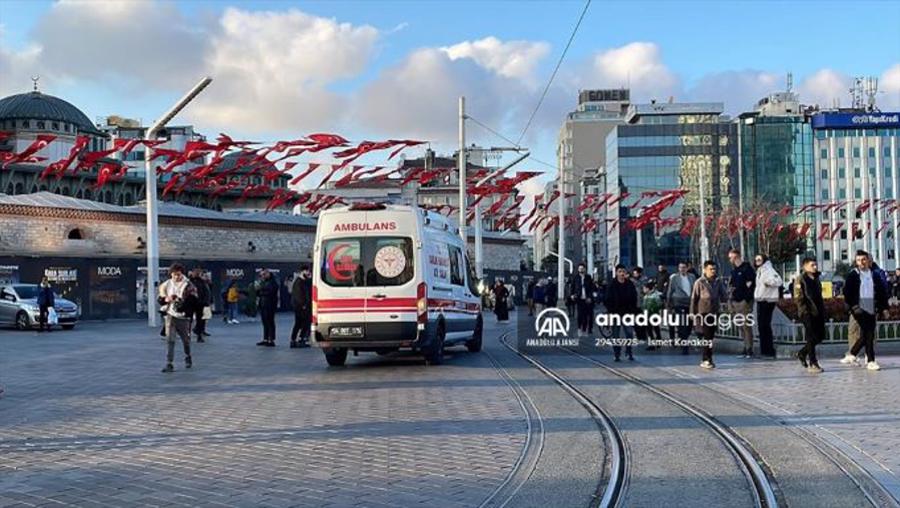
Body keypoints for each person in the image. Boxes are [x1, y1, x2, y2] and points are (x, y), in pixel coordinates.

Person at [841, 250, 889, 370]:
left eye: (863, 260)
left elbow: (882, 293)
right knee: (868, 333)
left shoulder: (875, 275)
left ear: (869, 261)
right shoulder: (853, 275)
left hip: (872, 306)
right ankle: (871, 360)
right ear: (855, 262)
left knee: (867, 334)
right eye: (858, 260)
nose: (861, 262)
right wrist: (853, 307)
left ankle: (852, 354)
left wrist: (884, 308)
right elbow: (847, 292)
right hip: (858, 308)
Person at [158, 263, 199, 373]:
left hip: (184, 317)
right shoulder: (166, 285)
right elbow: (160, 299)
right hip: (171, 315)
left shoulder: (188, 285)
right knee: (170, 340)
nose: (177, 277)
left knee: (185, 340)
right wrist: (166, 299)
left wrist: (184, 306)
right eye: (174, 274)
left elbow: (195, 301)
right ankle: (169, 363)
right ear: (171, 274)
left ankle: (188, 356)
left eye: (179, 274)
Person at [690, 260, 728, 369]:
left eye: (714, 269)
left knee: (710, 337)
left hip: (714, 312)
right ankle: (707, 358)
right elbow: (694, 298)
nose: (713, 271)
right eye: (711, 269)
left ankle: (706, 357)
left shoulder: (718, 281)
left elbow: (723, 295)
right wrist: (692, 313)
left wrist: (728, 297)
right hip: (703, 312)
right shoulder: (699, 282)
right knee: (707, 336)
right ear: (705, 270)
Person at [794, 257, 825, 373]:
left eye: (816, 265)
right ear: (805, 266)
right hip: (807, 312)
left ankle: (802, 353)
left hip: (818, 311)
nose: (815, 267)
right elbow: (798, 298)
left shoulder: (816, 279)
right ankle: (813, 362)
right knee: (811, 337)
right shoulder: (801, 279)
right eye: (812, 265)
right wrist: (804, 311)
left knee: (820, 337)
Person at [606, 264, 638, 361]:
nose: (622, 273)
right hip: (615, 313)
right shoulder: (612, 285)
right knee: (615, 335)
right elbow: (607, 299)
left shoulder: (630, 284)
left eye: (623, 271)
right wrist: (610, 311)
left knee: (629, 333)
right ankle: (617, 353)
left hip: (627, 313)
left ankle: (628, 350)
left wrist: (633, 309)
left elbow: (634, 297)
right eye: (620, 271)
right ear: (616, 273)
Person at [727, 249, 756, 358]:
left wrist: (746, 300)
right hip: (735, 301)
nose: (730, 260)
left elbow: (751, 286)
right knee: (740, 326)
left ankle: (749, 349)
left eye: (731, 257)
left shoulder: (747, 269)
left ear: (736, 257)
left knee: (746, 326)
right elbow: (731, 287)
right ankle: (745, 347)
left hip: (744, 302)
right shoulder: (734, 271)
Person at [753, 254, 783, 359]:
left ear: (764, 260)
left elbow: (779, 281)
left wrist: (769, 282)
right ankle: (764, 350)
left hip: (768, 300)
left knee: (765, 325)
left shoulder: (769, 269)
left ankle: (769, 351)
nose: (757, 261)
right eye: (756, 259)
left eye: (759, 259)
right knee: (762, 326)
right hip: (761, 299)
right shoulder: (760, 270)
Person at [667, 261, 696, 354]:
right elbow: (670, 290)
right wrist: (669, 304)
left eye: (684, 267)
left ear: (687, 268)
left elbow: (695, 289)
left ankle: (683, 337)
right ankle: (684, 346)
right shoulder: (674, 278)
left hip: (690, 303)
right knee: (682, 324)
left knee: (689, 325)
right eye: (680, 267)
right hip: (679, 303)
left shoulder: (692, 277)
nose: (682, 269)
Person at [569, 263, 596, 336]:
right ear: (578, 269)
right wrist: (572, 295)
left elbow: (591, 288)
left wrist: (590, 297)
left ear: (585, 269)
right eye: (580, 268)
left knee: (586, 315)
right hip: (579, 298)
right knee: (580, 315)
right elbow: (572, 287)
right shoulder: (576, 277)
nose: (581, 270)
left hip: (587, 299)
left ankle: (584, 329)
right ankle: (579, 328)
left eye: (582, 268)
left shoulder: (588, 277)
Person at [290, 266, 313, 348]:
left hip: (303, 306)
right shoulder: (298, 282)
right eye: (307, 271)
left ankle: (299, 339)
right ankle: (296, 339)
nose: (308, 273)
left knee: (303, 323)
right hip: (300, 307)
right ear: (302, 271)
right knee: (301, 323)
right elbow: (298, 295)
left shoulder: (303, 281)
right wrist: (303, 304)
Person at [256, 270, 280, 347]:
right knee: (265, 322)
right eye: (261, 275)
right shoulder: (265, 282)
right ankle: (265, 339)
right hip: (264, 305)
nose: (262, 276)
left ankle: (271, 339)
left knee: (270, 322)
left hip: (270, 305)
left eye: (263, 275)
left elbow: (271, 292)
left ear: (268, 274)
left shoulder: (273, 282)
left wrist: (261, 291)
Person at [189, 269, 211, 342]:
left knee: (195, 320)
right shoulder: (200, 282)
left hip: (196, 303)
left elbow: (206, 292)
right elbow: (206, 292)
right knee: (198, 320)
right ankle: (198, 335)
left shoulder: (191, 282)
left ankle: (196, 334)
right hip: (197, 303)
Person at [642, 280, 663, 346]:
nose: (643, 290)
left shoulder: (655, 296)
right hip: (648, 315)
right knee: (652, 329)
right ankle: (654, 342)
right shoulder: (646, 296)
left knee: (653, 329)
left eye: (644, 288)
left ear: (648, 289)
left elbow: (659, 305)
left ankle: (655, 342)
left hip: (653, 315)